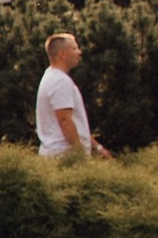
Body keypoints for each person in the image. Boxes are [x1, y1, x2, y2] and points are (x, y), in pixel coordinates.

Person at [36, 28, 108, 160]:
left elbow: (74, 122)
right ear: (62, 54)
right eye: (74, 49)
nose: (79, 53)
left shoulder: (52, 77)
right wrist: (79, 155)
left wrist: (97, 147)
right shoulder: (60, 81)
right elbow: (65, 120)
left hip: (57, 155)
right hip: (64, 157)